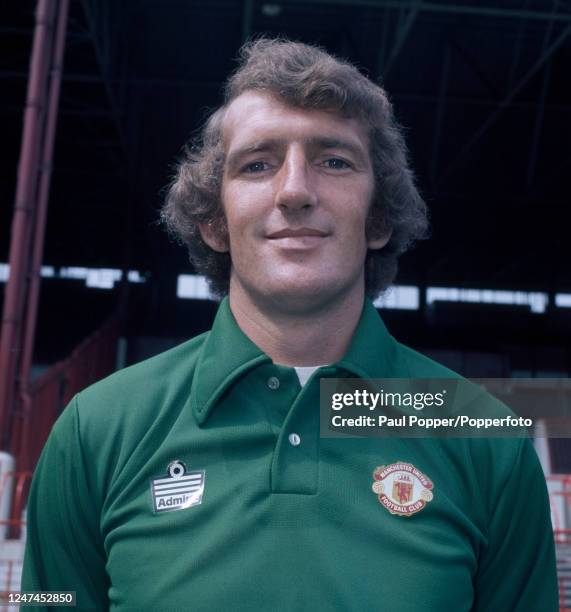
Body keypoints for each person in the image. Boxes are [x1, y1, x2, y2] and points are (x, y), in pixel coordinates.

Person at [22, 38, 557, 611]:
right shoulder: (96, 429)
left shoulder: (486, 437)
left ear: (378, 217)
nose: (296, 190)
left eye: (334, 161)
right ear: (213, 223)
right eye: (257, 164)